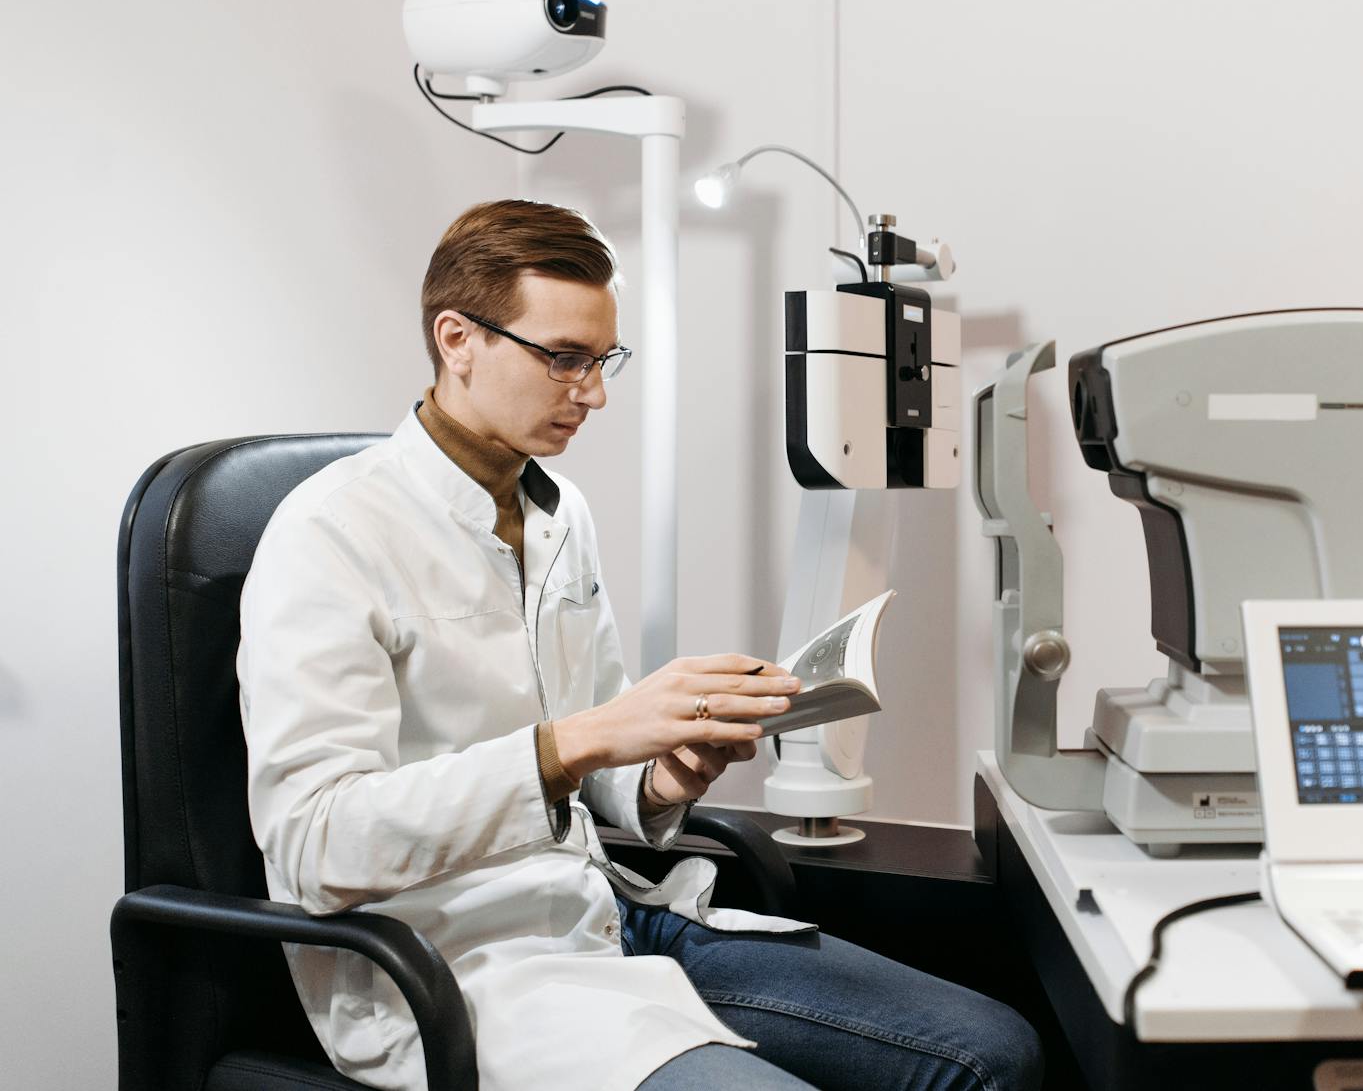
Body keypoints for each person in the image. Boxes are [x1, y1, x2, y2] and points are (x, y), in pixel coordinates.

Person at [237, 199, 1042, 1090]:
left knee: (995, 1054)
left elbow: (598, 749)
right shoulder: (329, 532)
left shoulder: (556, 512)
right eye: (564, 359)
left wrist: (666, 773)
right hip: (455, 969)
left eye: (602, 359)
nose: (594, 392)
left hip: (604, 915)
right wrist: (576, 744)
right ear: (457, 338)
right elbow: (315, 844)